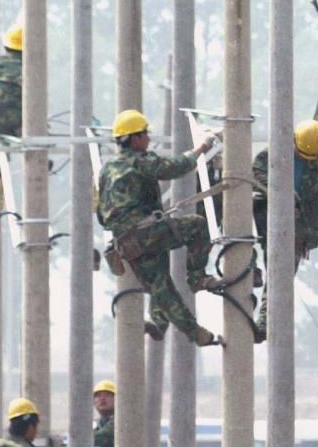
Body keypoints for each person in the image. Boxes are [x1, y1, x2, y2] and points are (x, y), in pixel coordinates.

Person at [96, 109, 223, 347]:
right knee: (197, 226)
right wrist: (203, 147)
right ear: (134, 138)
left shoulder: (107, 168)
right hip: (145, 233)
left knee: (161, 287)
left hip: (126, 243)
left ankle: (186, 330)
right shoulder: (141, 161)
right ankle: (197, 278)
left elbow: (100, 212)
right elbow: (176, 166)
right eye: (145, 134)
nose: (149, 139)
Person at [250, 119, 318, 342]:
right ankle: (249, 272)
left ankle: (264, 324)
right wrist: (279, 192)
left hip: (297, 233)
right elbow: (255, 173)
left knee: (278, 278)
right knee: (240, 243)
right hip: (264, 222)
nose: (306, 159)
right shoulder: (273, 156)